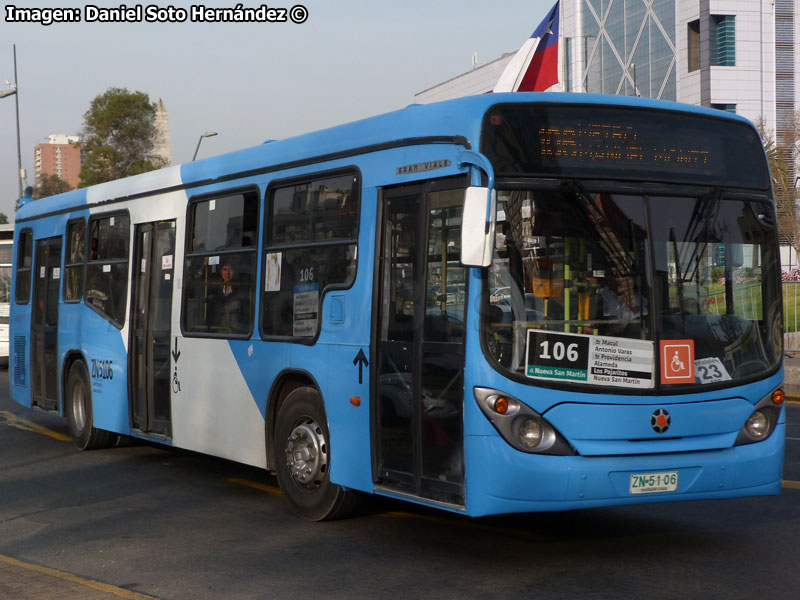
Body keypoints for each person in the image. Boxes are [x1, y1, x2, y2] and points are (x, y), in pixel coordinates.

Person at [207, 263, 250, 333]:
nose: (227, 273)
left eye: (230, 270)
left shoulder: (240, 287)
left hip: (235, 329)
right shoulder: (216, 288)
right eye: (224, 269)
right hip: (219, 328)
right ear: (221, 271)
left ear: (235, 271)